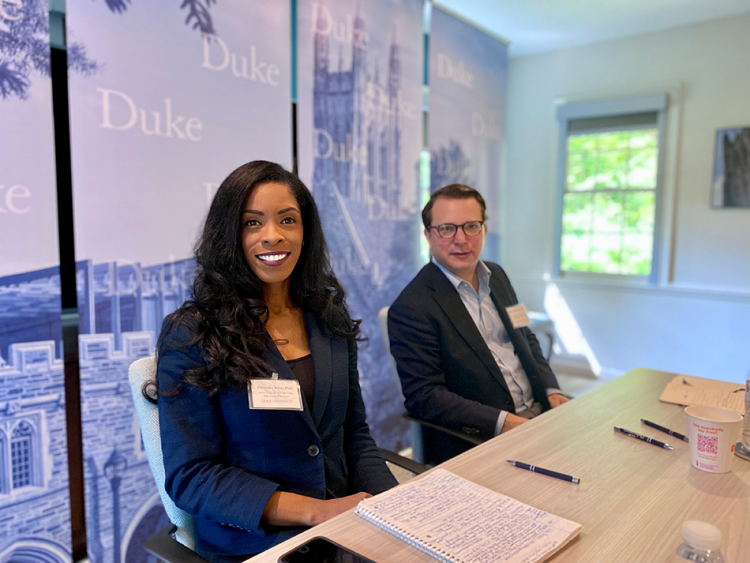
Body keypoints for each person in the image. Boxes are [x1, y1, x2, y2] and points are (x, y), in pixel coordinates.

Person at [154, 161, 397, 562]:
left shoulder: (327, 316)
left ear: (306, 233)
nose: (273, 236)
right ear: (228, 234)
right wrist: (315, 511)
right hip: (259, 544)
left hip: (344, 531)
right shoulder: (193, 332)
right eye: (252, 223)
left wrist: (395, 506)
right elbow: (191, 477)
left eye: (288, 220)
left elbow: (354, 435)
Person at [388, 184, 568, 465]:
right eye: (447, 228)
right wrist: (506, 422)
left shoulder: (496, 275)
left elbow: (525, 337)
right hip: (483, 438)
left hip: (540, 415)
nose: (461, 239)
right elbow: (425, 396)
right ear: (428, 235)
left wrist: (551, 389)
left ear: (483, 230)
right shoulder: (412, 307)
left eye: (471, 226)